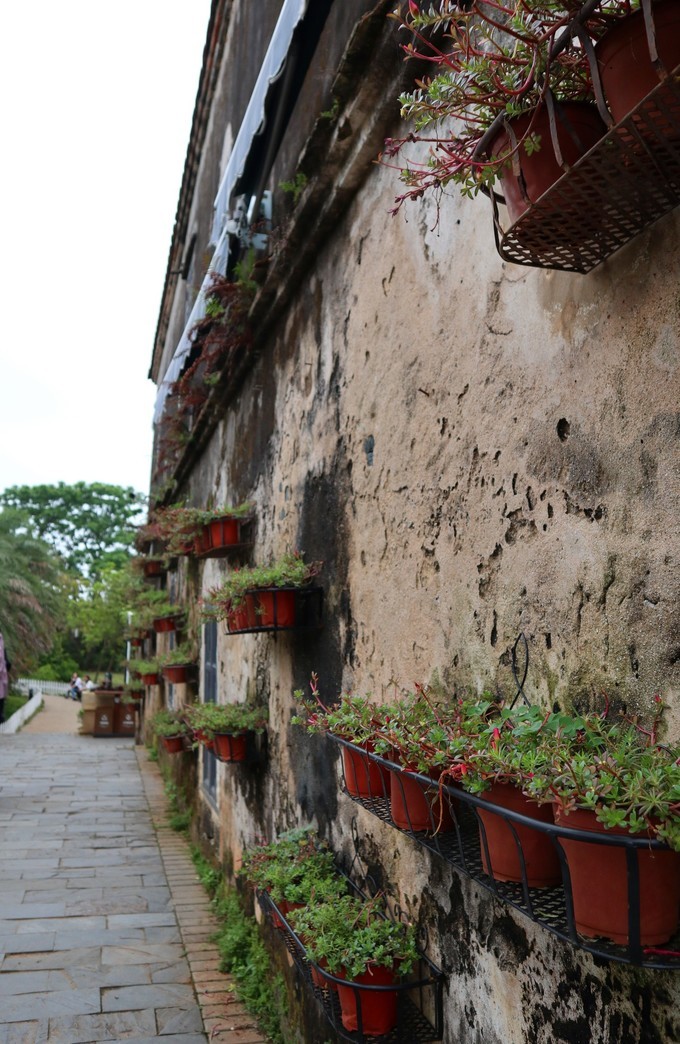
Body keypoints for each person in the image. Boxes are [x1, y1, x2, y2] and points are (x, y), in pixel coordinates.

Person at [0, 631, 11, 725]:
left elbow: (6, 662)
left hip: (1, 677)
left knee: (1, 697)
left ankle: (1, 715)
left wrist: (6, 665)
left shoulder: (3, 649)